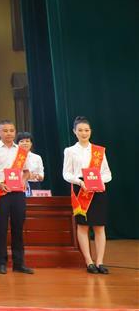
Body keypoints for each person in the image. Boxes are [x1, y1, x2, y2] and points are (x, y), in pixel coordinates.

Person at [0, 119, 34, 274]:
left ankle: (19, 263)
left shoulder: (21, 151)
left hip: (18, 194)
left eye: (11, 130)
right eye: (5, 131)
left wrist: (23, 181)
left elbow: (26, 172)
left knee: (18, 228)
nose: (9, 133)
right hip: (1, 193)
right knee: (1, 228)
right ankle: (1, 262)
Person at [62, 116, 112, 274]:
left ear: (90, 131)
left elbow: (107, 173)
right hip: (80, 189)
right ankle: (89, 262)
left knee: (99, 226)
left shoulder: (99, 151)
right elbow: (66, 173)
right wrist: (79, 182)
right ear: (74, 132)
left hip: (97, 189)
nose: (84, 133)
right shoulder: (70, 151)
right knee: (83, 226)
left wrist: (99, 182)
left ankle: (100, 262)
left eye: (86, 130)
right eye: (80, 130)